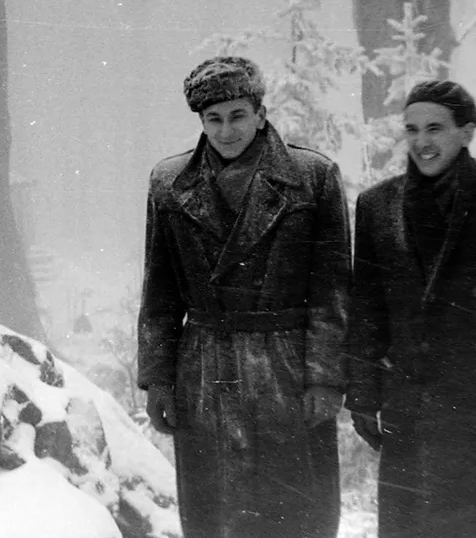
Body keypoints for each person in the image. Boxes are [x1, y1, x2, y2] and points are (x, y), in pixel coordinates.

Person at [137, 56, 350, 538]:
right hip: (205, 368)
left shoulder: (312, 176)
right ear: (201, 122)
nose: (227, 130)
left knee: (297, 505)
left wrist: (326, 377)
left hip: (286, 366)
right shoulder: (169, 184)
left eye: (237, 115)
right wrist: (159, 379)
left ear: (259, 112)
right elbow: (160, 292)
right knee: (216, 509)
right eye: (214, 119)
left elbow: (332, 288)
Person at [347, 79, 476, 538]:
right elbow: (366, 306)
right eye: (412, 129)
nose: (422, 142)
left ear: (467, 132)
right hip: (409, 408)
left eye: (435, 128)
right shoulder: (377, 206)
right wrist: (361, 395)